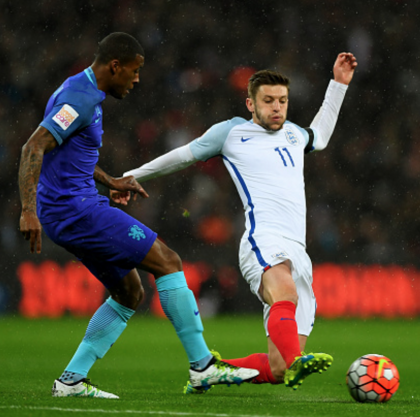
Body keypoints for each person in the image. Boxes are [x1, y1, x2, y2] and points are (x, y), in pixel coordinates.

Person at [18, 32, 258, 399]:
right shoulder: (78, 98)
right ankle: (203, 366)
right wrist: (27, 210)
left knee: (129, 292)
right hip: (75, 210)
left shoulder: (83, 93)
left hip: (71, 208)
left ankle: (71, 381)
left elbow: (67, 152)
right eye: (134, 70)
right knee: (168, 260)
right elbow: (33, 146)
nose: (137, 79)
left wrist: (108, 179)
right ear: (115, 66)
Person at [119, 52, 357, 392]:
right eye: (269, 100)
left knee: (276, 369)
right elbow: (183, 155)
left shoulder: (292, 134)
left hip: (297, 250)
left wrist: (338, 85)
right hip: (263, 239)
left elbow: (320, 135)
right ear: (250, 103)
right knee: (284, 295)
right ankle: (297, 361)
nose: (277, 107)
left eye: (283, 101)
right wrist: (131, 176)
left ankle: (211, 371)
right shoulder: (231, 132)